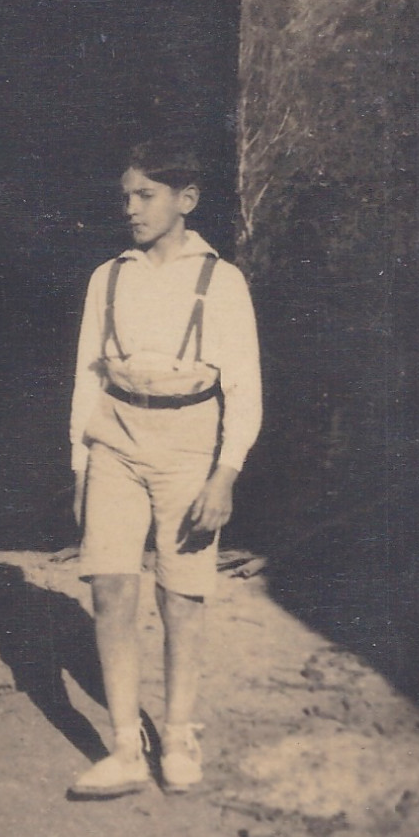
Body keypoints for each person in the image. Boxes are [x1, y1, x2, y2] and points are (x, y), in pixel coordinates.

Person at [66, 140, 261, 798]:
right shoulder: (108, 276)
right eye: (125, 196)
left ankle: (176, 732)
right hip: (114, 439)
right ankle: (124, 743)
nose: (131, 208)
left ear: (185, 199)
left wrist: (223, 475)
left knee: (180, 594)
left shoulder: (221, 281)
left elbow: (244, 388)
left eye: (144, 195)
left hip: (187, 445)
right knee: (110, 587)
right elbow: (85, 378)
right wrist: (80, 464)